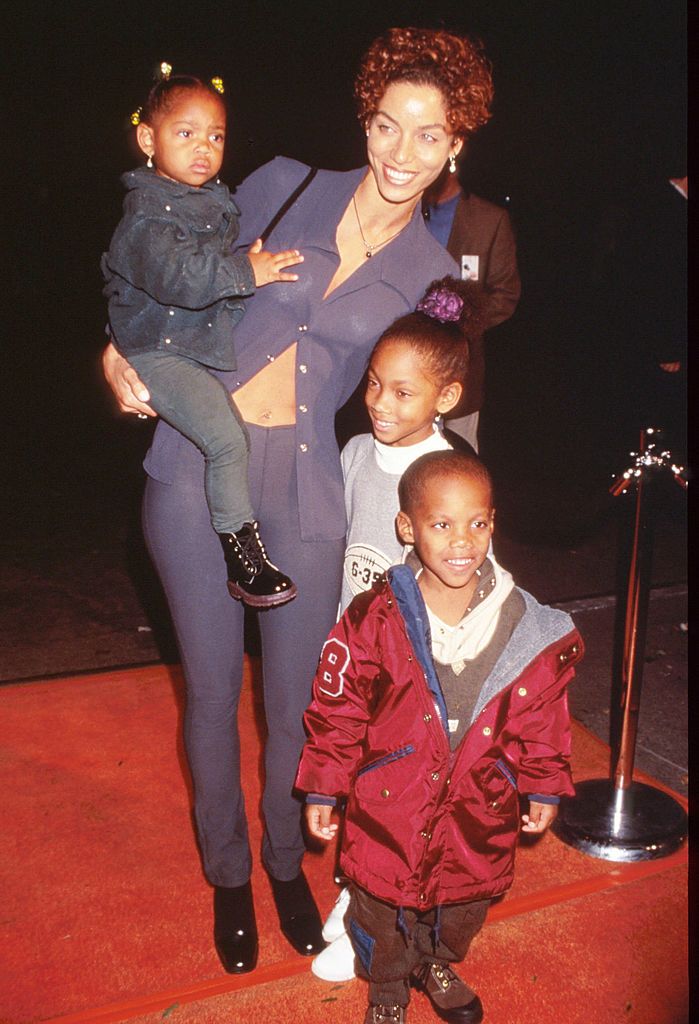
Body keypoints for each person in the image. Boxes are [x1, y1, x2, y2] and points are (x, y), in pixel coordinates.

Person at [102, 27, 494, 975]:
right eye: (387, 126)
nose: (403, 154)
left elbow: (432, 397)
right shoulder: (278, 184)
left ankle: (287, 865)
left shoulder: (435, 283)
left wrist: (456, 512)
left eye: (428, 135)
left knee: (295, 705)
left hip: (310, 493)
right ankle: (229, 874)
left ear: (455, 147)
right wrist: (117, 349)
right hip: (195, 464)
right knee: (209, 689)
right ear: (365, 122)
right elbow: (154, 263)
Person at [298, 450, 583, 1023]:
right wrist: (324, 786)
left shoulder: (526, 626)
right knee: (383, 902)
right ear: (408, 527)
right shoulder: (373, 618)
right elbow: (338, 709)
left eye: (477, 523)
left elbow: (543, 716)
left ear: (494, 523)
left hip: (480, 802)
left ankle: (436, 960)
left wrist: (545, 785)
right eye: (441, 524)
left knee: (464, 901)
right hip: (390, 799)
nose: (462, 541)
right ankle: (386, 985)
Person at [102, 66, 303, 607]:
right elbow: (183, 279)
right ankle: (243, 558)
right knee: (226, 438)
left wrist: (246, 262)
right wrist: (248, 272)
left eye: (215, 136)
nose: (203, 148)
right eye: (184, 133)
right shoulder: (148, 214)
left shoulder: (206, 200)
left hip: (182, 343)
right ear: (148, 139)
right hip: (159, 354)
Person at [339, 275, 485, 616]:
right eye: (374, 383)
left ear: (446, 396)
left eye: (402, 393)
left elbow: (474, 574)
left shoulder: (453, 477)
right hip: (354, 643)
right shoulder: (356, 452)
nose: (380, 403)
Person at [423, 161, 521, 450]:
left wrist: (457, 320)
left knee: (458, 461)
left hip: (462, 369)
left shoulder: (489, 219)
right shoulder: (404, 210)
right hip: (406, 363)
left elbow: (505, 295)